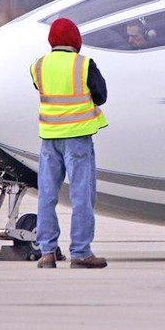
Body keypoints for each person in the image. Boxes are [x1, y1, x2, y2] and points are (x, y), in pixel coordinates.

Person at [30, 18, 109, 269]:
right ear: (76, 40)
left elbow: (39, 88)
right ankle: (81, 252)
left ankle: (47, 252)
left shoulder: (38, 66)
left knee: (47, 196)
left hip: (49, 139)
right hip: (78, 139)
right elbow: (101, 95)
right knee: (82, 196)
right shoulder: (84, 64)